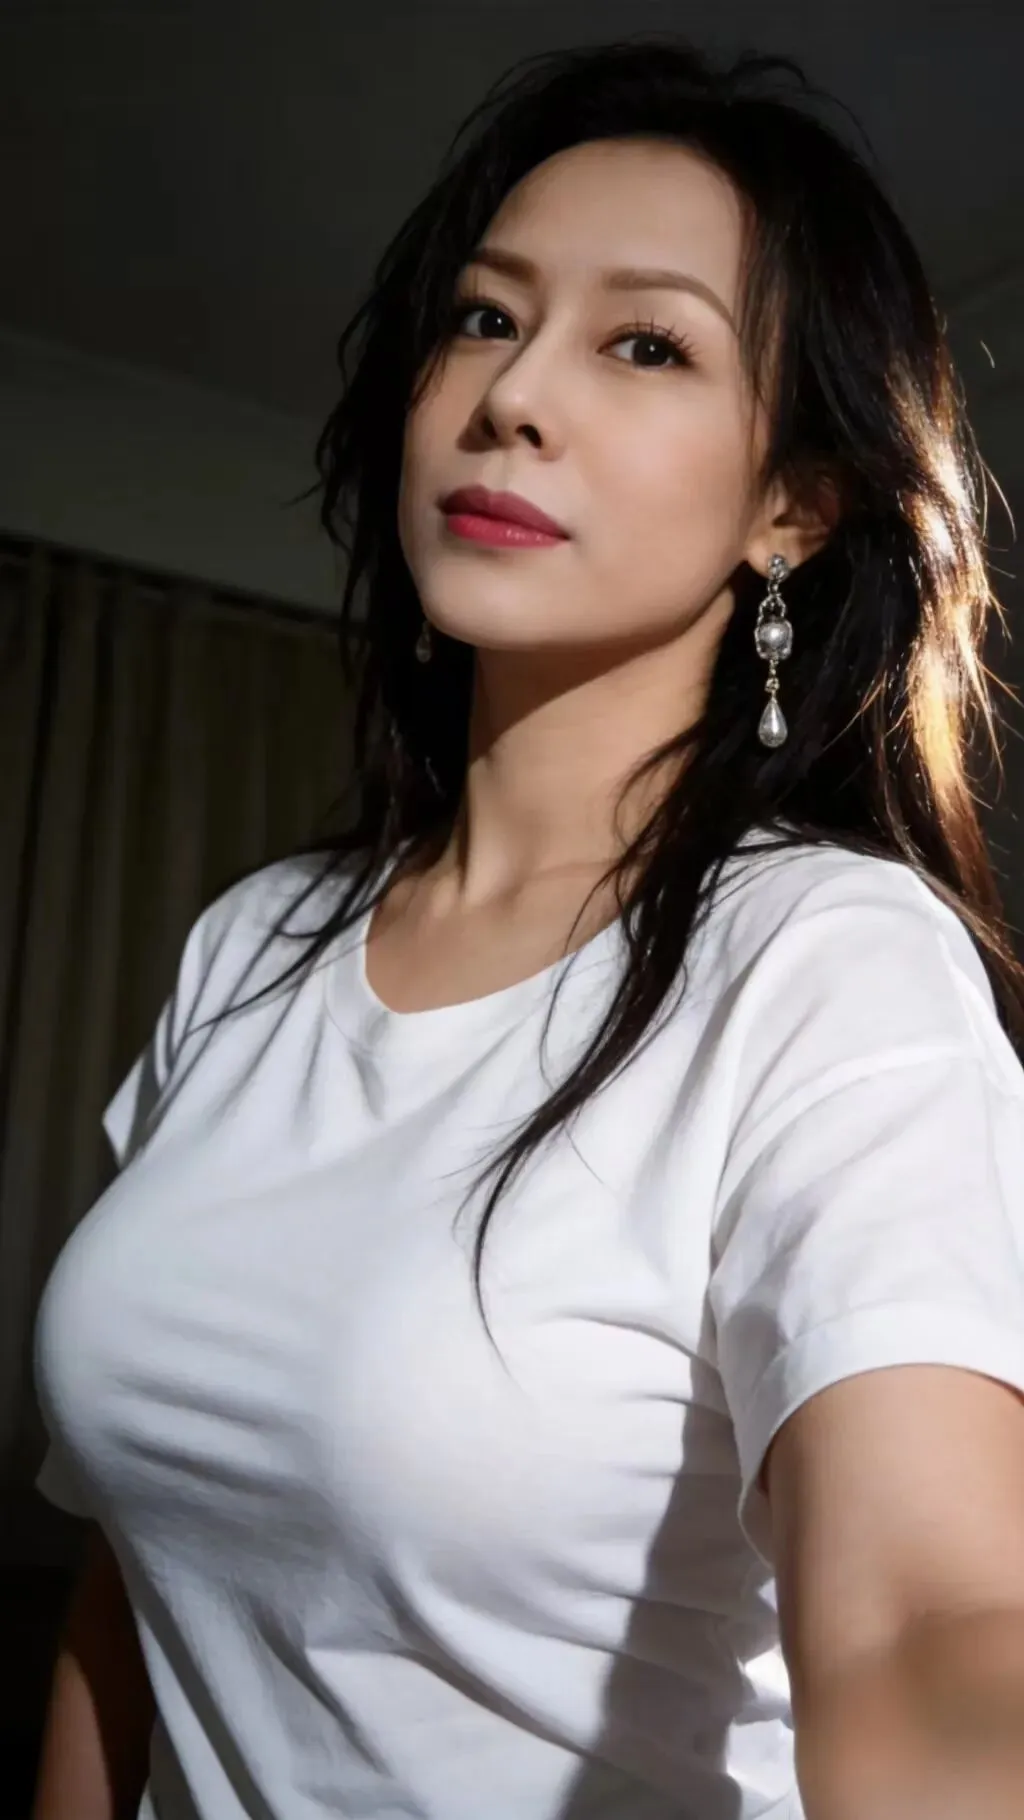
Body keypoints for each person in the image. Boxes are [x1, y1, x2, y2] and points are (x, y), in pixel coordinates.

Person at [30, 36, 1024, 1820]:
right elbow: (141, 1582)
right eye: (486, 318)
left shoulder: (829, 963)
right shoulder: (250, 950)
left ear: (793, 505)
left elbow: (930, 1624)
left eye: (646, 345)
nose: (513, 397)